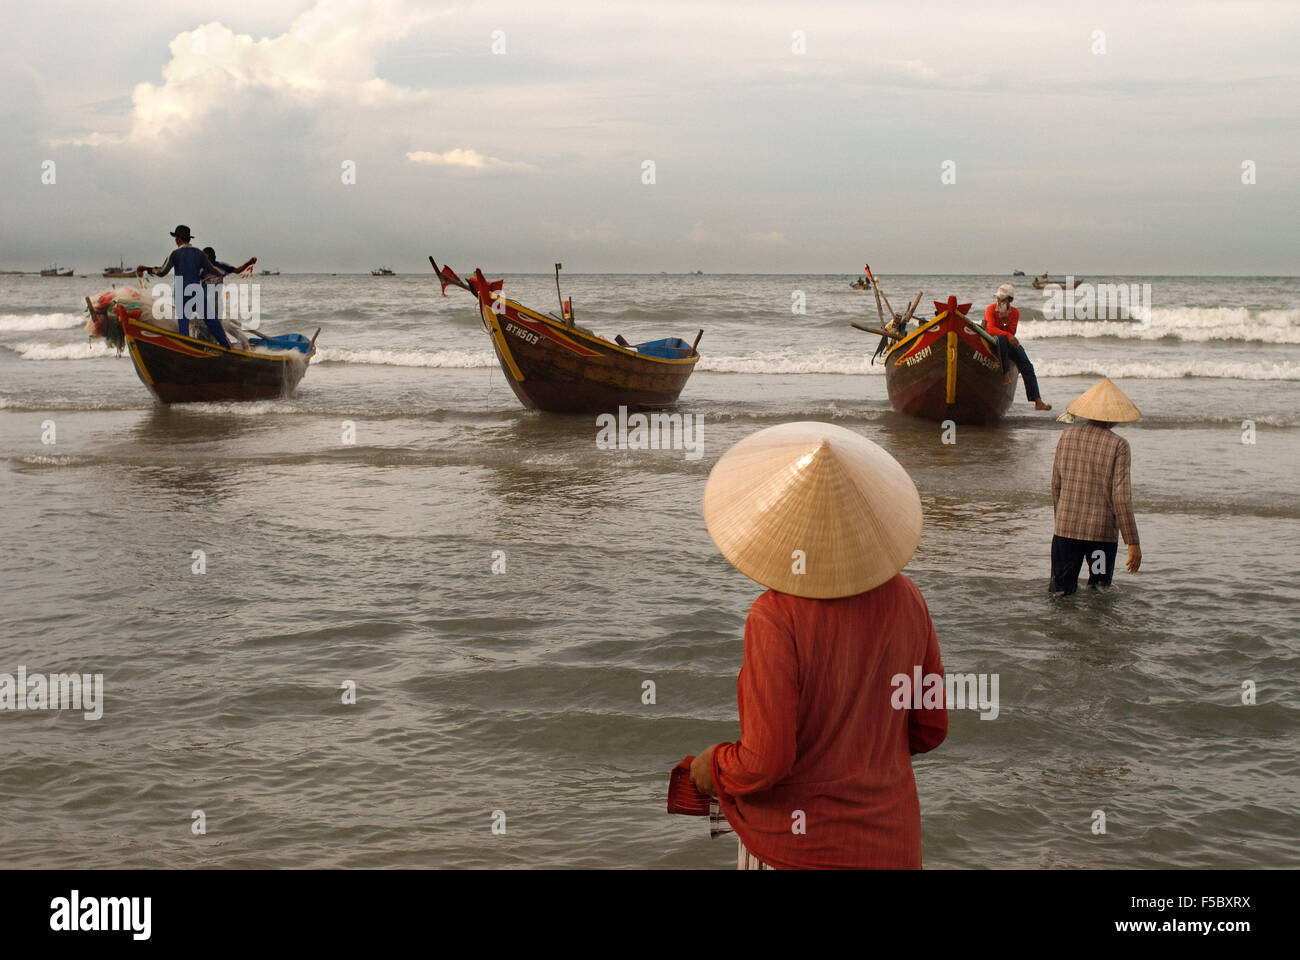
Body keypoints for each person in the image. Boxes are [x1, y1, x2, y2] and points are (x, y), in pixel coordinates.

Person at [681, 421, 948, 869]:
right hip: (893, 846)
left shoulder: (775, 616)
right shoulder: (909, 599)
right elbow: (930, 728)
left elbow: (766, 760)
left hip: (798, 852)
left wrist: (714, 766)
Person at [1050, 378, 1142, 595]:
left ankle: (1059, 629)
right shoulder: (1118, 444)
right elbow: (1121, 497)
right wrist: (1133, 542)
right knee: (1099, 592)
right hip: (1100, 537)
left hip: (1065, 533)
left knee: (1060, 593)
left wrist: (1061, 520)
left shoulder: (1066, 436)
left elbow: (1056, 485)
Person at [137, 225, 230, 348]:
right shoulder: (199, 253)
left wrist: (146, 269)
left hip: (181, 292)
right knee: (211, 320)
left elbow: (162, 271)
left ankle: (186, 348)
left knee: (183, 323)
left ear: (178, 238)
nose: (175, 240)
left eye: (175, 237)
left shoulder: (175, 254)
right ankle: (227, 347)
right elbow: (213, 270)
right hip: (196, 292)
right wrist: (225, 273)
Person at [985, 283, 1051, 411]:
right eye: (998, 298)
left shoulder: (1014, 312)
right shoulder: (990, 309)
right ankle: (1005, 375)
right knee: (1003, 338)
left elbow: (1012, 332)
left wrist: (1004, 321)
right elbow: (990, 329)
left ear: (1010, 300)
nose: (999, 301)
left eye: (1002, 299)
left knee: (1027, 366)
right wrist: (1007, 334)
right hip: (994, 341)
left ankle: (1037, 401)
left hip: (1007, 342)